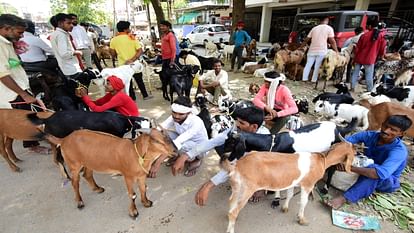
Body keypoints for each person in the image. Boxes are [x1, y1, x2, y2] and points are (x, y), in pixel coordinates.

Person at [170, 106, 270, 205]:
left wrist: (208, 185)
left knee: (251, 170)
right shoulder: (236, 129)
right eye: (237, 121)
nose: (237, 125)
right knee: (221, 145)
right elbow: (214, 142)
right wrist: (186, 156)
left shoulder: (262, 141)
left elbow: (237, 165)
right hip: (242, 159)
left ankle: (261, 187)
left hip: (259, 166)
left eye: (242, 123)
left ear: (254, 127)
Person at [326, 115, 412, 209]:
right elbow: (345, 143)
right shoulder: (370, 135)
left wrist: (349, 168)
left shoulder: (399, 151)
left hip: (386, 179)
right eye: (385, 126)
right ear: (382, 124)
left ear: (401, 133)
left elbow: (379, 173)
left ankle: (344, 198)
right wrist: (342, 155)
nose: (386, 130)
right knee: (351, 155)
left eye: (393, 130)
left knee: (374, 171)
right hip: (366, 165)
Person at [0, 14, 49, 154]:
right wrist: (23, 95)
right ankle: (32, 144)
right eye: (19, 32)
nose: (21, 36)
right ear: (5, 29)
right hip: (12, 92)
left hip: (19, 86)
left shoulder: (6, 43)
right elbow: (2, 74)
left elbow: (10, 65)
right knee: (27, 118)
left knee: (34, 114)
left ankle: (35, 139)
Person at [149, 96, 208, 178]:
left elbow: (177, 143)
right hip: (183, 140)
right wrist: (152, 132)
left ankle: (197, 160)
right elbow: (161, 127)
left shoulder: (196, 122)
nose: (176, 116)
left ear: (189, 113)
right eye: (174, 112)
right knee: (162, 135)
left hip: (199, 147)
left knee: (182, 146)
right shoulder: (174, 116)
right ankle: (176, 154)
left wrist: (157, 164)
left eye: (181, 114)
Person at [110, 20, 152, 100]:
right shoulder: (132, 38)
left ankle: (132, 99)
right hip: (134, 64)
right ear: (125, 29)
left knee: (128, 82)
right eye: (129, 28)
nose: (130, 29)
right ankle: (145, 95)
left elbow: (112, 54)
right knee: (139, 80)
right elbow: (140, 51)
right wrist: (132, 59)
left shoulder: (113, 40)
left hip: (123, 65)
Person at [350, 18, 386, 92]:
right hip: (370, 59)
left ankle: (352, 88)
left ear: (370, 26)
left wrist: (354, 58)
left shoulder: (364, 35)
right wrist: (381, 56)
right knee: (369, 76)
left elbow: (357, 48)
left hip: (359, 57)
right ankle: (370, 90)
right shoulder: (381, 36)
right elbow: (382, 49)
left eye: (367, 25)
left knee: (355, 73)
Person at [300, 15, 339, 82]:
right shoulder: (329, 28)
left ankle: (304, 79)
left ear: (320, 21)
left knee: (308, 65)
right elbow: (332, 41)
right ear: (327, 20)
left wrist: (300, 47)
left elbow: (306, 40)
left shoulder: (314, 28)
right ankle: (313, 80)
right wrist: (336, 51)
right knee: (317, 66)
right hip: (322, 50)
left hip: (311, 50)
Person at [49, 13, 84, 77]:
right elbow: (64, 54)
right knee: (81, 86)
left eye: (72, 23)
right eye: (68, 23)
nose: (71, 25)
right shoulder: (61, 35)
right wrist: (76, 52)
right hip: (71, 69)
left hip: (67, 68)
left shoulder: (57, 34)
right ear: (60, 23)